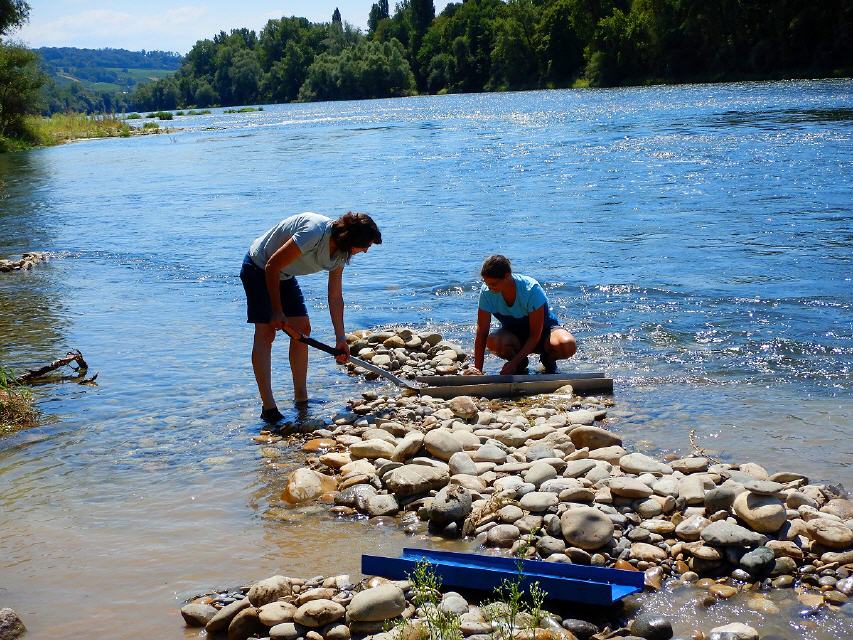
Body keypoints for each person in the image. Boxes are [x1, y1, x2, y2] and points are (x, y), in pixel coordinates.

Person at [240, 211, 382, 423]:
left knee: (302, 328)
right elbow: (272, 265)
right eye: (365, 245)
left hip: (283, 274)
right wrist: (277, 310)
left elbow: (335, 297)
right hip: (259, 267)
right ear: (351, 239)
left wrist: (341, 338)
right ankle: (269, 408)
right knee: (266, 332)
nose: (366, 250)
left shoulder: (341, 254)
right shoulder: (313, 232)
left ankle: (301, 398)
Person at [468, 254, 576, 376]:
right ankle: (521, 364)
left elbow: (535, 335)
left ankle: (547, 360)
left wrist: (513, 363)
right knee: (493, 341)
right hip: (514, 336)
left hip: (544, 334)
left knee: (567, 345)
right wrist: (478, 369)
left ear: (507, 276)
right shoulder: (486, 292)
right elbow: (482, 333)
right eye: (487, 284)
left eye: (493, 284)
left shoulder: (531, 289)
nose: (490, 288)